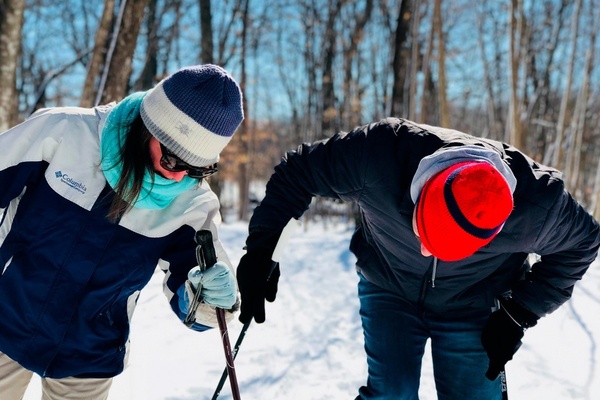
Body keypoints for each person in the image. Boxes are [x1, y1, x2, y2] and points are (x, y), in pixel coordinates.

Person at [235, 117, 600, 399]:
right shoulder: (379, 155)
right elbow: (297, 172)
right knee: (391, 393)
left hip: (475, 301)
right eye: (426, 235)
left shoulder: (539, 206)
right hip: (389, 286)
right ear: (424, 190)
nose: (428, 249)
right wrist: (261, 250)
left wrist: (519, 312)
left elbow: (582, 244)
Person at [0, 64, 243, 399]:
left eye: (197, 168)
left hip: (89, 355)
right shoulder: (64, 132)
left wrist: (212, 297)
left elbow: (197, 305)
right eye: (172, 160)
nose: (178, 178)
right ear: (147, 127)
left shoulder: (193, 204)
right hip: (5, 321)